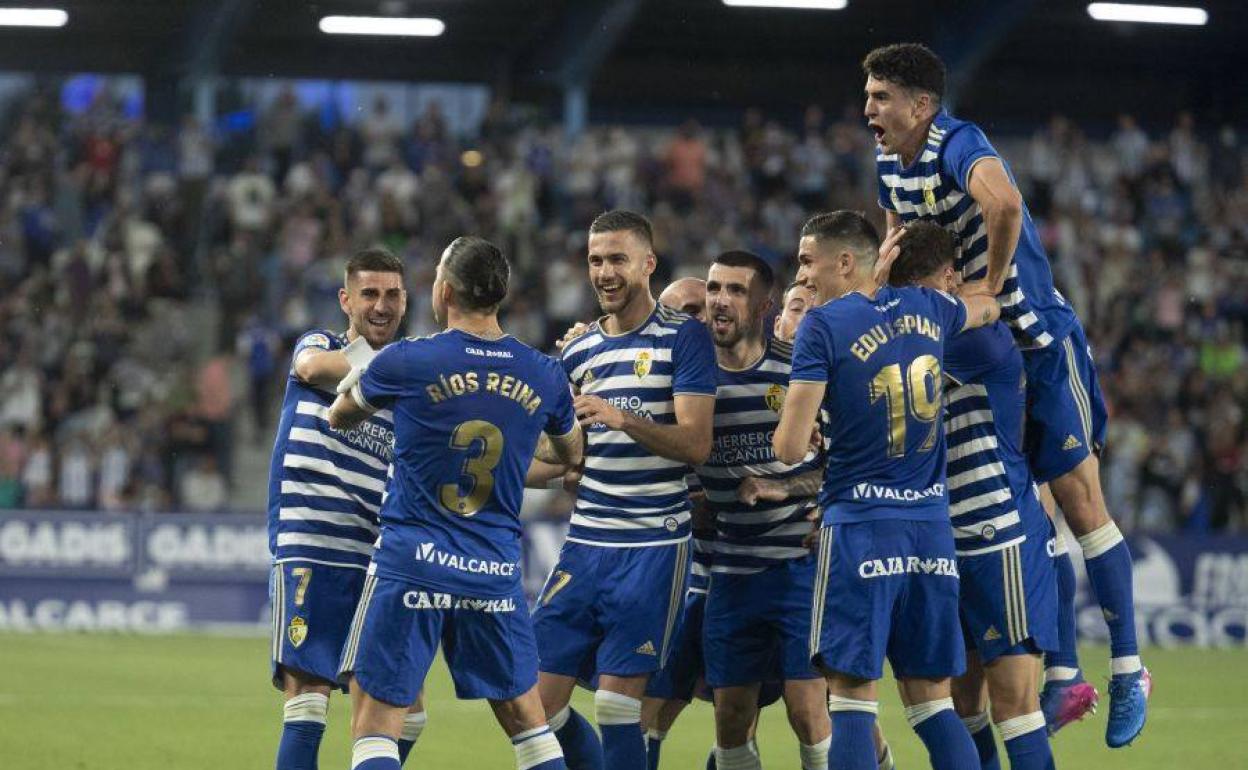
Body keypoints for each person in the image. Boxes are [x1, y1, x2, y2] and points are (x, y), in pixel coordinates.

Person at [864, 42, 1147, 746]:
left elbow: (1007, 202)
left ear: (921, 106)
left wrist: (988, 286)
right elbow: (897, 244)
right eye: (867, 96)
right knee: (1026, 505)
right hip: (977, 351)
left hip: (1038, 340)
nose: (868, 110)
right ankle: (1063, 673)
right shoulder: (886, 170)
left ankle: (1130, 669)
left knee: (1080, 502)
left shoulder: (958, 143)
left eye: (880, 97)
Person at [330, 236, 583, 770]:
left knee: (375, 724)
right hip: (491, 568)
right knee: (528, 725)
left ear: (444, 291)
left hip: (412, 563)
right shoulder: (542, 372)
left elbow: (340, 415)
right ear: (501, 295)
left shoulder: (407, 360)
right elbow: (570, 451)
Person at [774, 211, 998, 770]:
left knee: (851, 703)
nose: (802, 276)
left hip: (861, 530)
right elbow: (988, 305)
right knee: (933, 706)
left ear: (845, 262)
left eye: (807, 261)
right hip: (930, 534)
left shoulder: (822, 326)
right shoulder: (931, 309)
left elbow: (788, 447)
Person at [534, 210, 717, 770]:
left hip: (653, 548)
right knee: (532, 705)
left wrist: (622, 417)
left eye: (618, 259)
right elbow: (559, 450)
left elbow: (695, 444)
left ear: (647, 264)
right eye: (595, 260)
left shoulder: (685, 340)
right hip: (584, 544)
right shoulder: (579, 350)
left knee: (617, 706)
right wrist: (511, 459)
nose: (605, 271)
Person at [888, 222, 1059, 770]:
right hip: (936, 541)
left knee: (1016, 706)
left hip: (994, 534)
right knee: (963, 703)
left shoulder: (979, 338)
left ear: (949, 278)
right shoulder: (907, 335)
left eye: (921, 294)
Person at [266, 247, 427, 770]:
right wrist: (410, 366)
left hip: (379, 559)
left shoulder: (410, 383)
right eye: (369, 294)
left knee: (408, 710)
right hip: (313, 543)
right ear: (345, 300)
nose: (381, 306)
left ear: (406, 300)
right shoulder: (321, 344)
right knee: (310, 700)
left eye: (392, 295)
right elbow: (312, 367)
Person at [698, 250, 831, 770]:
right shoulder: (691, 379)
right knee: (731, 719)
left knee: (808, 711)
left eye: (735, 290)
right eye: (714, 289)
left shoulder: (799, 369)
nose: (720, 301)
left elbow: (839, 466)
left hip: (797, 565)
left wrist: (786, 488)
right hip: (729, 572)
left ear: (761, 305)